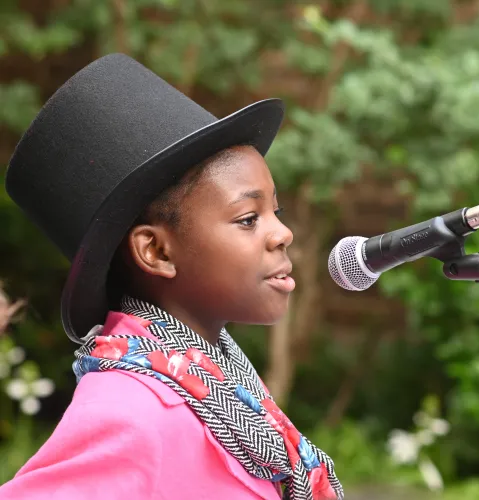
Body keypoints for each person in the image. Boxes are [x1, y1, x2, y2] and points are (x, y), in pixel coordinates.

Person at [0, 54, 343, 500]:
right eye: (247, 218)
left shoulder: (224, 391)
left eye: (273, 211)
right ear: (157, 251)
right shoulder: (129, 412)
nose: (282, 233)